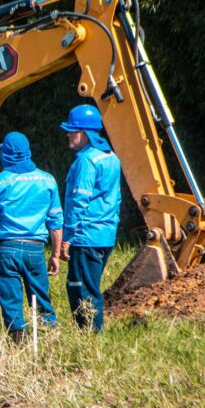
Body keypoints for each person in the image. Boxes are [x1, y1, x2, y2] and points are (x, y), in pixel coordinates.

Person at [0, 132, 63, 341]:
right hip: (35, 249)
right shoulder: (48, 180)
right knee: (41, 299)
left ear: (5, 154)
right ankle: (48, 343)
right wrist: (56, 254)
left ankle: (19, 346)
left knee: (11, 301)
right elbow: (56, 221)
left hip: (7, 250)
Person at [59, 104, 121, 332]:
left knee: (81, 289)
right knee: (90, 286)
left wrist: (67, 237)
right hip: (106, 236)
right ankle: (91, 334)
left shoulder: (86, 161)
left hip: (86, 236)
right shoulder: (111, 157)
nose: (67, 134)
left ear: (85, 133)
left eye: (72, 130)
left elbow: (78, 201)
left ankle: (90, 337)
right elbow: (116, 199)